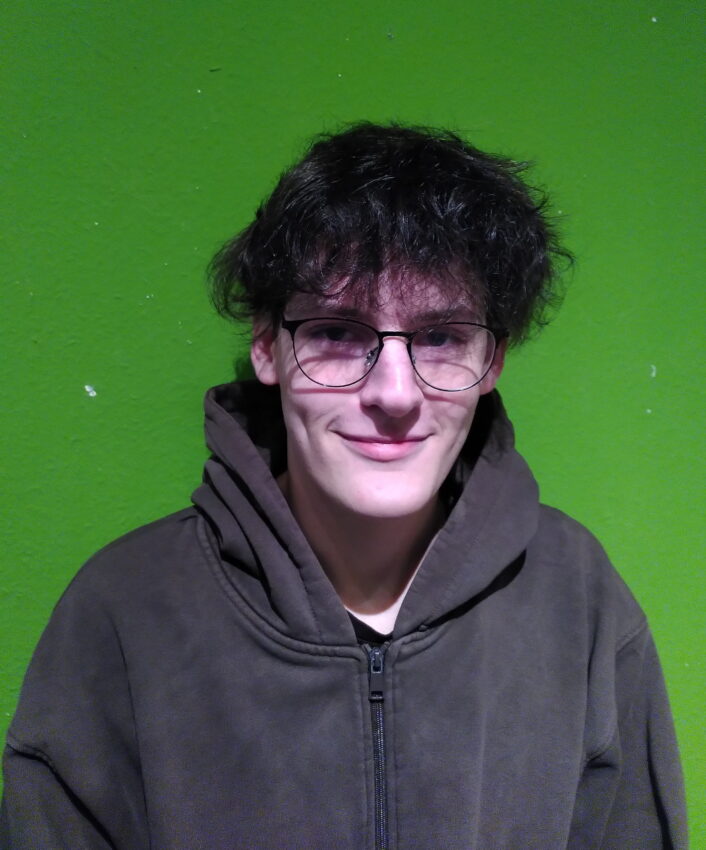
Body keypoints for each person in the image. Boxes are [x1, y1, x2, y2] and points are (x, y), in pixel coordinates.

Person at [1, 123, 687, 849]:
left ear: (492, 363)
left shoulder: (578, 599)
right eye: (336, 332)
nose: (395, 393)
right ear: (266, 345)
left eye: (441, 337)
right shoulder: (122, 610)